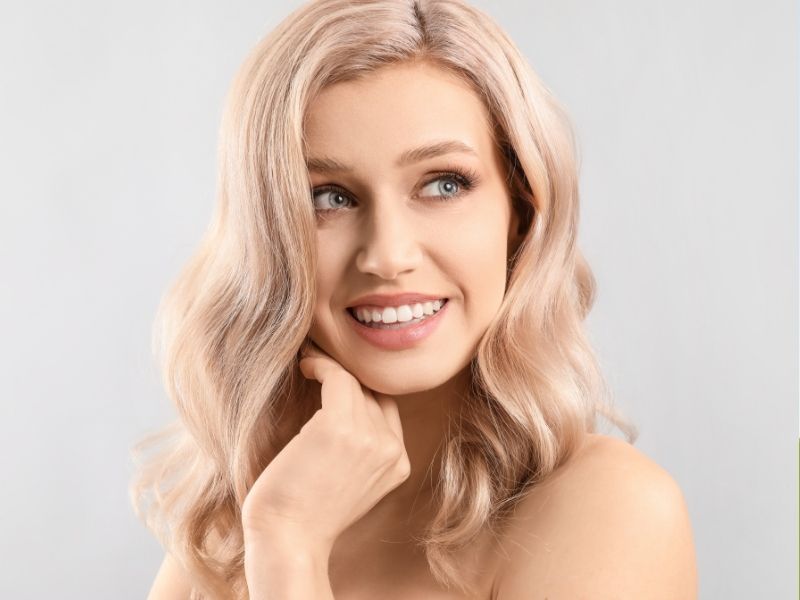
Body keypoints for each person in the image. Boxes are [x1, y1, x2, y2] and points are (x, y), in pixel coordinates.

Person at [132, 1, 698, 598]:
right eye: (328, 197)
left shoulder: (610, 510)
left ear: (522, 211)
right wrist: (278, 530)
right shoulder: (239, 526)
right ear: (268, 233)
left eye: (443, 184)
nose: (387, 254)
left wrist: (292, 552)